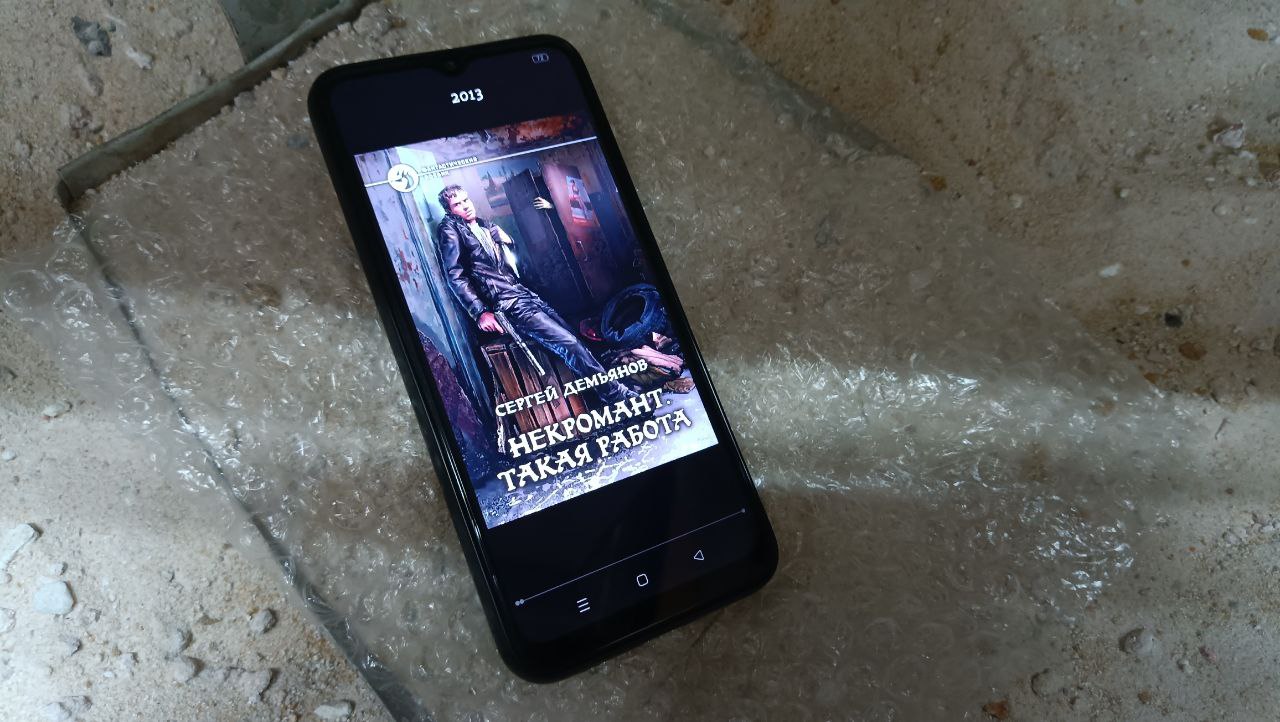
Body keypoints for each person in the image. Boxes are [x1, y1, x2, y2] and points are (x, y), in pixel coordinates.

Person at [435, 184, 633, 403]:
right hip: (508, 303)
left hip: (523, 294)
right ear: (449, 210)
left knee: (573, 339)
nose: (465, 206)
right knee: (569, 344)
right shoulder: (450, 230)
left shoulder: (485, 225)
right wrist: (479, 311)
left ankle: (603, 394)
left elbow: (509, 264)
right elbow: (455, 274)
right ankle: (617, 395)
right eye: (457, 204)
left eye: (466, 200)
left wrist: (509, 242)